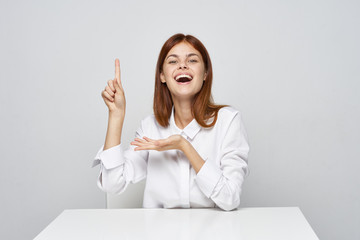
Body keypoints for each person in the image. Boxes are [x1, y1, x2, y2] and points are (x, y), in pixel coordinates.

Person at [93, 33, 249, 211]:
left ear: (205, 73)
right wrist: (116, 115)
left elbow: (230, 199)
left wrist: (184, 146)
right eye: (173, 61)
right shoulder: (150, 126)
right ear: (162, 76)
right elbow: (112, 184)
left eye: (192, 60)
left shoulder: (228, 121)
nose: (182, 65)